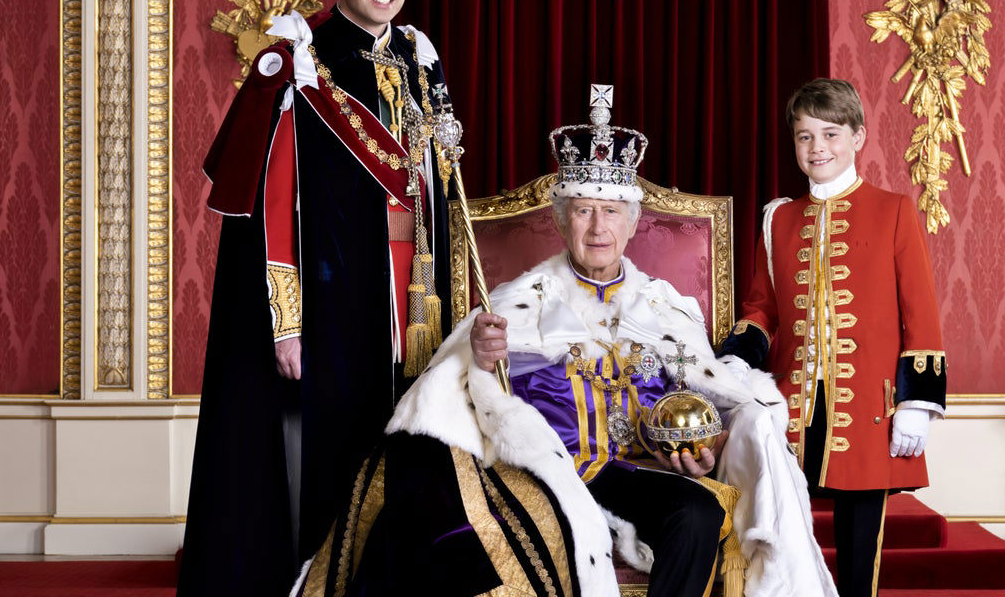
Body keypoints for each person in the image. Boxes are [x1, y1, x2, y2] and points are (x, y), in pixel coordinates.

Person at [294, 86, 837, 597]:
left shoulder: (667, 306)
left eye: (610, 212)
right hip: (545, 472)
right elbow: (465, 393)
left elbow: (708, 395)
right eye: (583, 211)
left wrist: (707, 446)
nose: (597, 227)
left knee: (697, 514)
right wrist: (484, 362)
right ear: (562, 221)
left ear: (631, 225)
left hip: (629, 472)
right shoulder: (519, 300)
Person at [179, 0, 456, 596]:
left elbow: (440, 194)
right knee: (338, 465)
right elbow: (273, 203)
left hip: (413, 295)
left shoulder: (421, 59)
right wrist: (286, 320)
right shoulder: (301, 56)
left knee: (412, 459)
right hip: (334, 298)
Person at [720, 78, 947, 597]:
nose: (817, 147)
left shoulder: (894, 209)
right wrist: (738, 360)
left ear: (858, 137)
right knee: (785, 533)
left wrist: (918, 402)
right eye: (804, 137)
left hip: (868, 403)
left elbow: (921, 311)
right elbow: (762, 307)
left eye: (830, 134)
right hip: (794, 403)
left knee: (860, 536)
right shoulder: (780, 219)